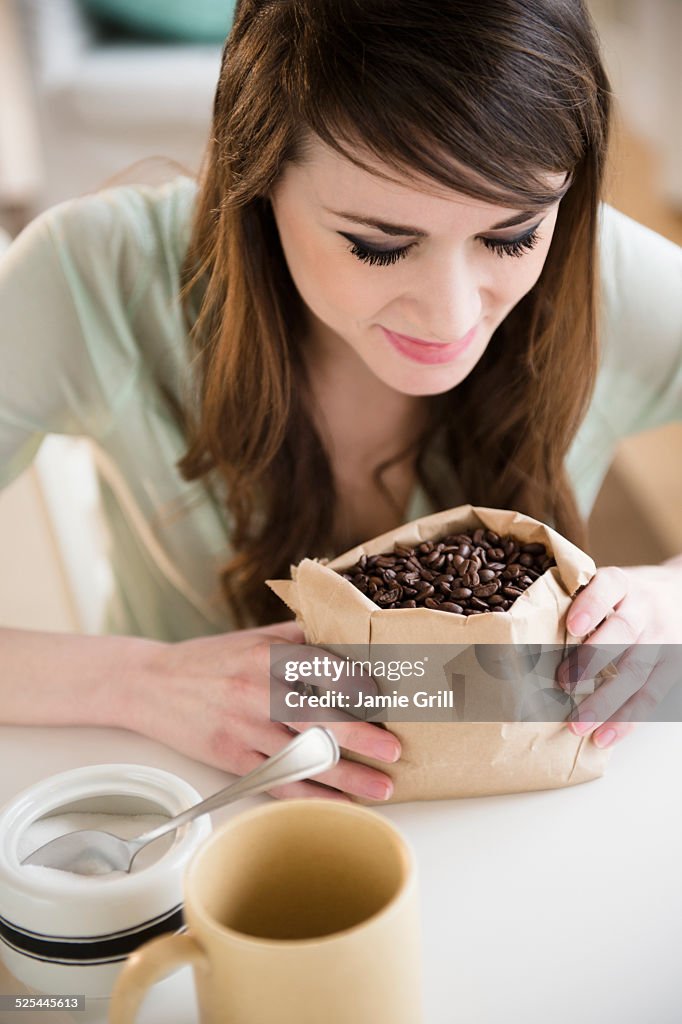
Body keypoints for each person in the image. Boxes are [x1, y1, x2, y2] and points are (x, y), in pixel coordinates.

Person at [1, 0, 680, 800]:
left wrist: (671, 599)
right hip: (201, 803)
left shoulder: (607, 279)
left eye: (511, 236)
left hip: (517, 807)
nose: (454, 317)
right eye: (380, 246)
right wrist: (141, 681)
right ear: (258, 179)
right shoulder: (96, 278)